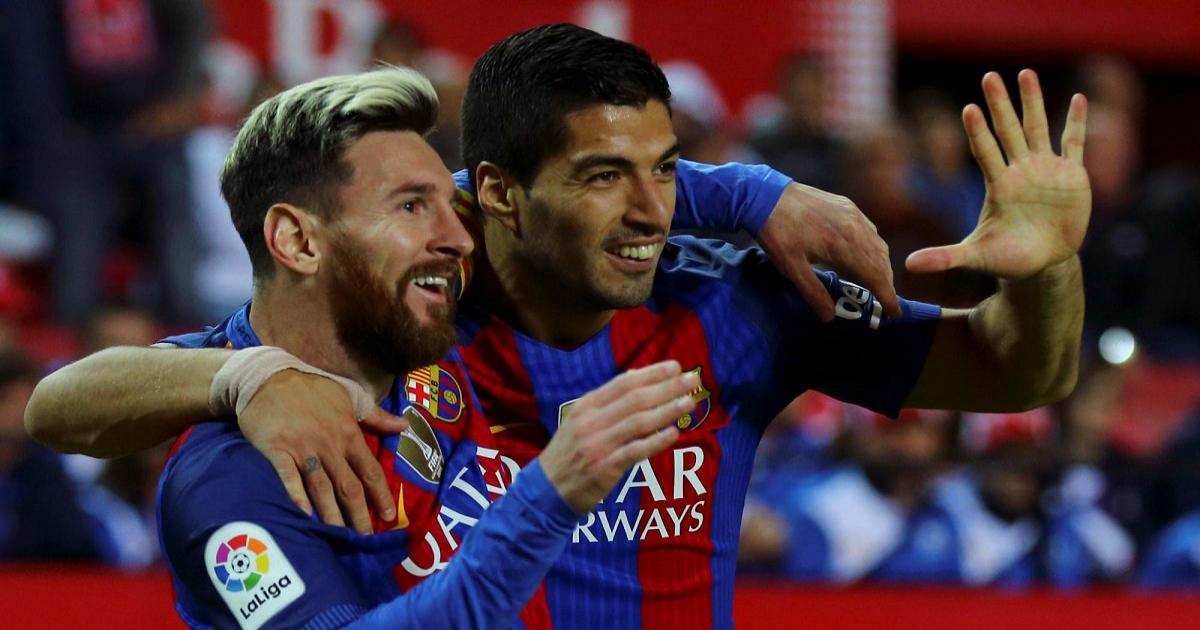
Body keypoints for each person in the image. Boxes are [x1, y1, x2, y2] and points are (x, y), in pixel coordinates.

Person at [28, 24, 1091, 627]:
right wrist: (241, 375)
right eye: (603, 176)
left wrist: (1045, 265)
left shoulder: (739, 301)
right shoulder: (405, 318)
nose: (650, 210)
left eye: (665, 171)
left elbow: (1015, 374)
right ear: (499, 195)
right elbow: (62, 404)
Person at [141, 67, 705, 629]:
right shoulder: (230, 481)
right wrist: (547, 497)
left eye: (448, 204)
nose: (460, 239)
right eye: (411, 207)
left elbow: (596, 191)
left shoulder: (413, 320)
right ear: (299, 241)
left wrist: (752, 197)